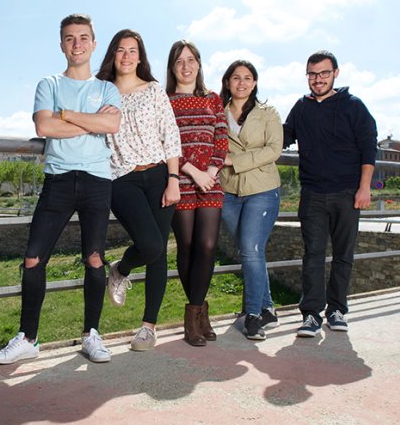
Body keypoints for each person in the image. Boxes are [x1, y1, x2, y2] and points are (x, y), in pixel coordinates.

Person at [0, 14, 122, 364]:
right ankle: (28, 339)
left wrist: (66, 116)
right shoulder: (48, 83)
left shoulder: (107, 89)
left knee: (94, 258)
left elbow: (111, 123)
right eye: (69, 38)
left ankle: (91, 335)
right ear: (61, 44)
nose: (76, 44)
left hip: (96, 181)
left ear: (94, 43)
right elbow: (44, 126)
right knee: (33, 258)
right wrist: (86, 121)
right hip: (58, 179)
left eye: (83, 38)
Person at [96, 29, 181, 352]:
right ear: (113, 55)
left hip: (159, 174)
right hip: (122, 177)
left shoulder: (155, 90)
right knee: (150, 245)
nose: (128, 56)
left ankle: (148, 327)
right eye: (121, 50)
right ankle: (121, 269)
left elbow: (170, 135)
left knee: (159, 252)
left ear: (141, 56)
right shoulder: (101, 93)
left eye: (134, 50)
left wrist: (173, 179)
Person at [283, 50, 377, 338]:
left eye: (324, 73)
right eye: (312, 74)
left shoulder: (353, 106)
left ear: (336, 73)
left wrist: (364, 187)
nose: (317, 79)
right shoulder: (301, 107)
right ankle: (311, 314)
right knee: (312, 255)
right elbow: (283, 137)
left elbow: (368, 147)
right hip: (312, 193)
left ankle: (337, 310)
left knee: (343, 255)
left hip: (348, 193)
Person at [165, 40, 228, 347]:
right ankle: (196, 319)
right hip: (181, 179)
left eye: (191, 60)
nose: (186, 66)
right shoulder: (166, 101)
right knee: (187, 245)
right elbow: (168, 143)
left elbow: (222, 138)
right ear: (172, 67)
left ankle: (197, 313)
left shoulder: (213, 99)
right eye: (180, 62)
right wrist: (193, 172)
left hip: (211, 181)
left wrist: (212, 172)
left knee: (207, 244)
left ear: (199, 64)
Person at [218, 60, 283, 341]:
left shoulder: (268, 113)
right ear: (228, 82)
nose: (241, 83)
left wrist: (235, 159)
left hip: (262, 189)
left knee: (250, 249)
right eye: (236, 77)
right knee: (250, 250)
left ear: (255, 83)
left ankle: (253, 315)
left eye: (247, 78)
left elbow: (274, 150)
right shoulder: (218, 113)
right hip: (229, 192)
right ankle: (268, 307)